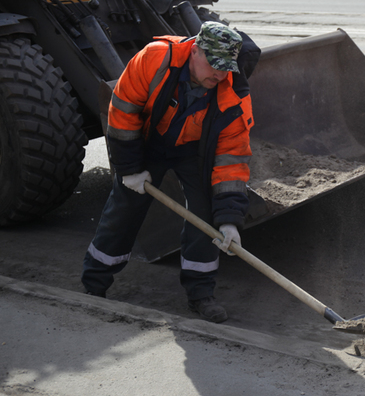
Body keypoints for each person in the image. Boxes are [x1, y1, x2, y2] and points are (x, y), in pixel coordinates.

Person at [81, 21, 255, 324]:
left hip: (195, 151)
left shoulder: (233, 98)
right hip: (148, 140)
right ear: (195, 50)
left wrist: (230, 220)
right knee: (125, 207)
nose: (218, 74)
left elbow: (231, 162)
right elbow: (123, 111)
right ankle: (94, 283)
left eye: (225, 68)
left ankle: (201, 293)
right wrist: (130, 169)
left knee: (205, 217)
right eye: (213, 64)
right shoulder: (155, 58)